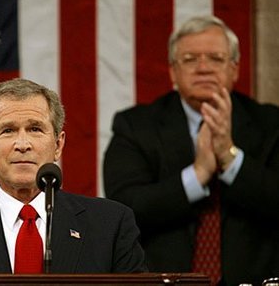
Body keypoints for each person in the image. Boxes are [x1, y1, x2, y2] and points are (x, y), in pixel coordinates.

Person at [103, 15, 279, 285]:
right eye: (190, 59)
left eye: (216, 58)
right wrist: (197, 175)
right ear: (173, 71)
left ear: (235, 69)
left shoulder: (270, 124)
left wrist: (230, 160)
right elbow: (124, 208)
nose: (203, 67)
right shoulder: (136, 126)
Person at [0, 78, 147, 274]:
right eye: (8, 130)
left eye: (35, 129)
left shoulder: (111, 225)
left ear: (58, 144)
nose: (23, 144)